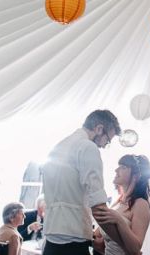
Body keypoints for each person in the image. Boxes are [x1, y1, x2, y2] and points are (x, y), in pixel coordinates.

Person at [43, 109, 122, 255]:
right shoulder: (88, 147)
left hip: (51, 238)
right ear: (99, 129)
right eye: (107, 140)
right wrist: (122, 242)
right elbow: (98, 206)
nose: (104, 145)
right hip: (73, 241)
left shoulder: (58, 147)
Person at [93, 154, 150, 255]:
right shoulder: (117, 202)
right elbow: (98, 236)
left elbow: (135, 249)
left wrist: (119, 220)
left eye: (123, 167)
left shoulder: (140, 204)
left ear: (136, 176)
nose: (116, 170)